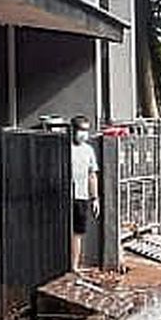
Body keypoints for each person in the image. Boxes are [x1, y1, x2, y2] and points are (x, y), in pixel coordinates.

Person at [70, 115, 100, 273]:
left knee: (78, 232)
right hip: (65, 197)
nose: (83, 133)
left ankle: (74, 265)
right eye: (80, 129)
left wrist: (95, 198)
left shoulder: (88, 150)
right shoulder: (65, 147)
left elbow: (92, 175)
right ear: (73, 130)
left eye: (86, 130)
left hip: (81, 196)